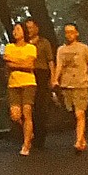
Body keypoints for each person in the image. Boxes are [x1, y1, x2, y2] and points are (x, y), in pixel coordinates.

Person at [52, 23, 88, 152]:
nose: (69, 35)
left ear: (77, 33)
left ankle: (78, 141)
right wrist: (55, 79)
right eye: (66, 32)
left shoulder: (84, 48)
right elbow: (59, 66)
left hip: (81, 84)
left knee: (80, 113)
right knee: (71, 113)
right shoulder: (61, 50)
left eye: (71, 32)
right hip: (66, 85)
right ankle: (81, 138)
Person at [0, 20, 38, 155]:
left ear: (24, 32)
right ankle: (28, 131)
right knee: (15, 115)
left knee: (27, 112)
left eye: (18, 29)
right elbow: (8, 63)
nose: (15, 32)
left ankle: (26, 144)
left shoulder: (31, 47)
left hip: (28, 83)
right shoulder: (9, 47)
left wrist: (15, 62)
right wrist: (21, 62)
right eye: (14, 30)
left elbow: (30, 65)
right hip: (13, 83)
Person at [25, 16, 54, 151]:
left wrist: (53, 78)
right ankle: (29, 135)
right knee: (28, 106)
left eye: (31, 27)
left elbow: (50, 61)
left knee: (41, 107)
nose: (29, 30)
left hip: (41, 74)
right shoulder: (24, 43)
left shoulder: (44, 42)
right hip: (28, 74)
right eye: (27, 28)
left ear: (37, 28)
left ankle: (40, 138)